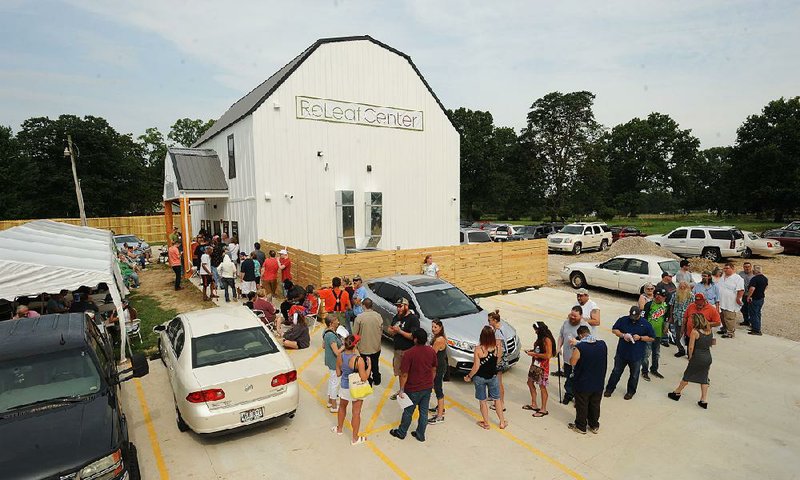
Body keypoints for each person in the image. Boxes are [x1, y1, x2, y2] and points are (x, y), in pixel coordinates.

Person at [390, 328, 438, 442]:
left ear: (415, 339)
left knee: (408, 411)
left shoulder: (409, 353)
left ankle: (401, 432)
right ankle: (420, 434)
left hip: (412, 388)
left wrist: (401, 389)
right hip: (427, 387)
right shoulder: (431, 351)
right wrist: (430, 382)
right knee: (423, 412)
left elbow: (404, 374)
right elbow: (434, 368)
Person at [604, 306, 655, 400]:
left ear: (640, 314)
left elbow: (652, 337)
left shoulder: (646, 324)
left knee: (634, 375)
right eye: (632, 316)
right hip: (622, 353)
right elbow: (614, 329)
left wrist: (640, 338)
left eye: (635, 317)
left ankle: (630, 392)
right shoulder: (623, 320)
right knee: (616, 372)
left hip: (636, 355)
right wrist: (623, 335)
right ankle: (609, 389)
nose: (633, 319)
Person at [464, 326, 508, 430]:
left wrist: (469, 376)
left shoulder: (479, 349)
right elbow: (497, 361)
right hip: (492, 377)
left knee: (482, 401)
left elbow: (476, 367)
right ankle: (502, 422)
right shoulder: (497, 347)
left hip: (479, 378)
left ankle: (486, 423)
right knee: (497, 399)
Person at [668, 313, 714, 409]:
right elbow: (712, 342)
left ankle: (677, 392)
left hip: (698, 357)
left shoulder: (695, 332)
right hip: (708, 357)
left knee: (687, 375)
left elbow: (691, 347)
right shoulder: (709, 330)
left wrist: (690, 357)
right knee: (704, 378)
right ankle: (704, 400)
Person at [568, 325, 608, 434]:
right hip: (598, 382)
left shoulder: (580, 348)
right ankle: (594, 425)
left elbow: (573, 362)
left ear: (580, 335)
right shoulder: (602, 345)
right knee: (595, 405)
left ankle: (581, 426)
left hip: (583, 383)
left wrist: (575, 347)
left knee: (582, 405)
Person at [334, 334, 371, 445]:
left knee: (342, 407)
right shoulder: (359, 360)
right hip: (356, 389)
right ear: (355, 345)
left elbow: (338, 373)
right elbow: (364, 378)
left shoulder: (340, 356)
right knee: (356, 413)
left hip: (344, 386)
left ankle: (339, 429)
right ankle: (355, 438)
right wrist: (369, 367)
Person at [388, 298, 420, 400]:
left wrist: (400, 331)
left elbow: (413, 336)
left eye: (400, 306)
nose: (398, 309)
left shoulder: (413, 319)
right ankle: (402, 389)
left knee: (407, 373)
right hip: (397, 350)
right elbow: (391, 328)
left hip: (408, 351)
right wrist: (391, 330)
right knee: (400, 373)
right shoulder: (397, 317)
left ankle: (407, 391)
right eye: (397, 306)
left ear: (406, 306)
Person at [557, 306, 590, 404]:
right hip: (567, 359)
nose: (572, 317)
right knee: (568, 377)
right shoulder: (566, 323)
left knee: (578, 379)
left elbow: (590, 341)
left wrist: (578, 343)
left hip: (579, 360)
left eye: (575, 316)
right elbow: (561, 336)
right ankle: (569, 394)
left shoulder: (585, 326)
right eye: (571, 315)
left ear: (581, 316)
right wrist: (559, 347)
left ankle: (578, 397)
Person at [525, 321, 555, 418]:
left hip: (542, 367)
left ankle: (543, 409)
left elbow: (548, 355)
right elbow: (539, 350)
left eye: (536, 330)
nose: (535, 332)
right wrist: (532, 352)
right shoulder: (540, 339)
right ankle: (534, 404)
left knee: (542, 387)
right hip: (535, 364)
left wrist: (534, 354)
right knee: (530, 382)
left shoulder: (547, 340)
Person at [353, 298, 383, 386]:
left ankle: (368, 381)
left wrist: (354, 346)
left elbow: (355, 334)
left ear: (363, 305)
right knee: (375, 363)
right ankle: (377, 379)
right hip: (376, 346)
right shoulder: (378, 316)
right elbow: (381, 330)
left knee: (366, 366)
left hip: (364, 348)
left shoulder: (359, 318)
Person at [641, 287, 669, 381]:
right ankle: (644, 371)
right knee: (646, 353)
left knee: (656, 353)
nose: (662, 298)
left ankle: (654, 369)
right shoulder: (649, 305)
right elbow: (643, 318)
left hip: (658, 334)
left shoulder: (665, 306)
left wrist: (666, 326)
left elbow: (666, 317)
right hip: (649, 334)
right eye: (660, 296)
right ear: (656, 295)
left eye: (664, 297)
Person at [427, 320, 448, 425]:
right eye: (432, 327)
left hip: (437, 368)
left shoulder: (439, 340)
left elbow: (432, 354)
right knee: (438, 388)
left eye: (435, 327)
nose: (433, 329)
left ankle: (439, 416)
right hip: (441, 366)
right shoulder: (441, 337)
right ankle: (440, 408)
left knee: (438, 390)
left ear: (440, 327)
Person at [487, 310, 508, 411]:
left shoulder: (498, 332)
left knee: (498, 382)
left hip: (499, 357)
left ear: (494, 320)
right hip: (503, 356)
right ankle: (497, 400)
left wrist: (496, 362)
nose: (488, 322)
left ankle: (501, 404)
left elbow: (499, 347)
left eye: (489, 320)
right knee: (497, 381)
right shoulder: (501, 328)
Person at [322, 316, 344, 412]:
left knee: (332, 381)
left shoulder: (326, 332)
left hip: (330, 361)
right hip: (335, 363)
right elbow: (337, 352)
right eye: (336, 321)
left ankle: (330, 401)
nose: (338, 322)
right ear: (331, 324)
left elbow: (323, 345)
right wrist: (344, 345)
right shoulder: (331, 335)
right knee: (335, 383)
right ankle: (334, 406)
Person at [718, 262, 744, 338]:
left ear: (732, 269)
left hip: (730, 302)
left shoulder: (738, 278)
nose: (725, 270)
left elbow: (741, 290)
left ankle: (730, 332)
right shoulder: (722, 277)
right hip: (722, 301)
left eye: (727, 268)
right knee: (722, 316)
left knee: (729, 317)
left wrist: (738, 299)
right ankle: (724, 329)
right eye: (724, 268)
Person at [671, 281, 693, 357]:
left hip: (688, 319)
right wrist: (671, 317)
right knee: (678, 335)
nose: (682, 288)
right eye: (681, 287)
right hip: (677, 317)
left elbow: (694, 308)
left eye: (684, 287)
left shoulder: (691, 296)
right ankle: (681, 350)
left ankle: (689, 352)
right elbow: (671, 305)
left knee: (688, 336)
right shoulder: (675, 295)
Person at [746, 265, 768, 336]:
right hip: (761, 298)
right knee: (758, 313)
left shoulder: (754, 279)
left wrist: (749, 296)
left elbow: (752, 288)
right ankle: (757, 327)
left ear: (755, 271)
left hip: (755, 298)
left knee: (753, 313)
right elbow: (766, 287)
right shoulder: (765, 278)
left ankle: (756, 330)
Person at [738, 262, 755, 327]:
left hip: (751, 295)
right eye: (745, 267)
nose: (747, 268)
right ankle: (746, 321)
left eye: (748, 267)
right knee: (743, 308)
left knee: (751, 309)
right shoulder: (740, 274)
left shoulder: (754, 275)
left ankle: (752, 322)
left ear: (751, 267)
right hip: (743, 294)